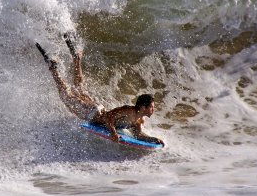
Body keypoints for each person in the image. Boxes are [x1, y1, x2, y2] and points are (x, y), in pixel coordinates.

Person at [36, 35, 164, 146]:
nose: (153, 109)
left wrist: (154, 140)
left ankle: (76, 58)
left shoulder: (139, 120)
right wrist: (113, 133)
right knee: (67, 97)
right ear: (142, 107)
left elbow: (138, 135)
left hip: (96, 109)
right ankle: (54, 68)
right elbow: (109, 117)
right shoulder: (128, 110)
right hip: (92, 114)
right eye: (151, 107)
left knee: (79, 89)